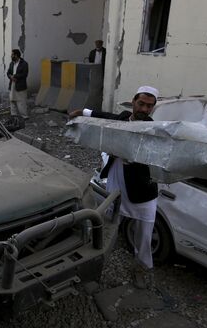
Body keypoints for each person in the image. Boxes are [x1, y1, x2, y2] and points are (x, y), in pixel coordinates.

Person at [69, 85, 160, 289]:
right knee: (109, 221)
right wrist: (81, 112)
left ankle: (142, 268)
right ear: (133, 101)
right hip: (117, 180)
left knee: (144, 235)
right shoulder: (123, 117)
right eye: (141, 104)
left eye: (149, 106)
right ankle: (97, 258)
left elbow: (155, 158)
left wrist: (130, 158)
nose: (145, 109)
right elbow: (104, 116)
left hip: (142, 190)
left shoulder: (154, 129)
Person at [6, 49, 29, 119]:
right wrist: (11, 77)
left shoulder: (24, 64)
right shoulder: (11, 63)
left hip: (20, 85)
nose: (11, 56)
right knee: (12, 100)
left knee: (21, 102)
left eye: (12, 54)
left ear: (16, 55)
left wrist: (15, 76)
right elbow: (8, 72)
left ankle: (24, 116)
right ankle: (14, 116)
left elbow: (25, 74)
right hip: (12, 84)